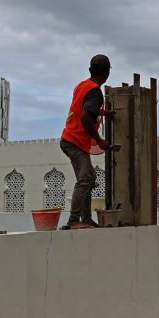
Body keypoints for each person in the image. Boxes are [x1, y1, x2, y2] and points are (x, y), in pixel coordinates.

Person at [60, 55, 120, 229]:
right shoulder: (95, 92)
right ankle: (73, 221)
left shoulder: (82, 85)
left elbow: (83, 109)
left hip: (69, 138)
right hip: (75, 141)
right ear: (107, 73)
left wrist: (103, 113)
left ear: (90, 70)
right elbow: (86, 116)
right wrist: (100, 140)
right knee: (85, 180)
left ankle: (85, 219)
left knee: (90, 178)